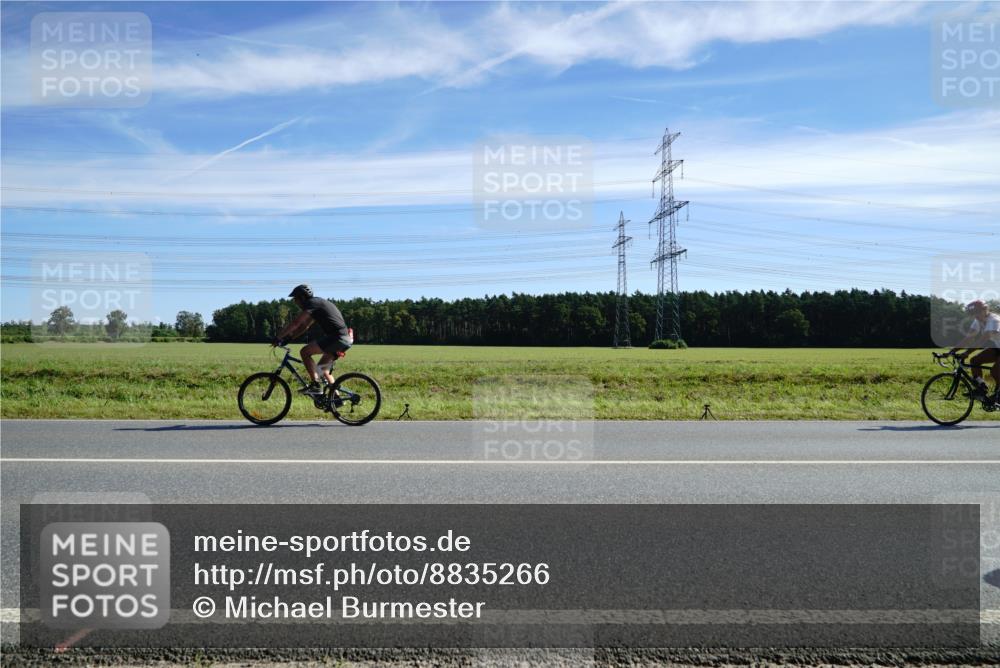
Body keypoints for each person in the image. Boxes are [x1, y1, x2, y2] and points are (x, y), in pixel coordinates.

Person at [273, 284, 352, 394]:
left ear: (302, 297)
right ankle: (336, 400)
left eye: (295, 299)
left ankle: (315, 385)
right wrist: (289, 338)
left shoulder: (312, 303)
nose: (295, 302)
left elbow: (296, 323)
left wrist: (278, 337)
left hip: (337, 338)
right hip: (344, 339)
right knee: (322, 370)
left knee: (305, 351)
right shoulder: (316, 305)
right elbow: (304, 326)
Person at [948, 299, 1000, 400]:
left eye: (978, 312)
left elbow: (982, 340)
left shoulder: (994, 320)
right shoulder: (978, 320)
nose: (976, 316)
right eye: (973, 314)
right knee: (975, 360)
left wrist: (967, 352)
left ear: (985, 310)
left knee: (995, 371)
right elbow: (968, 338)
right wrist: (953, 351)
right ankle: (981, 388)